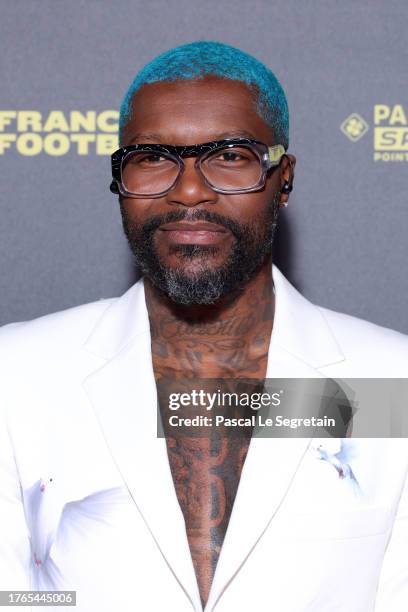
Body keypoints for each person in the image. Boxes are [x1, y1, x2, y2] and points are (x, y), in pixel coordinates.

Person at [0, 40, 407, 612]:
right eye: (153, 157)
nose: (189, 190)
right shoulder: (16, 374)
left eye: (230, 156)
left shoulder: (390, 380)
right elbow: (13, 595)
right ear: (120, 180)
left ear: (282, 178)